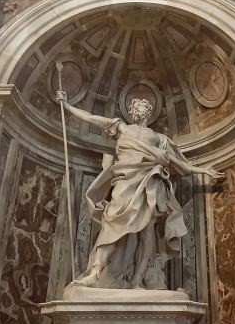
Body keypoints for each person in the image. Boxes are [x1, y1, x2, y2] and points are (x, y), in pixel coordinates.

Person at [57, 91, 223, 289]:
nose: (138, 111)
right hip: (125, 181)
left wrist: (203, 169)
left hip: (149, 183)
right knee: (111, 221)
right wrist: (67, 107)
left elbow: (179, 164)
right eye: (135, 108)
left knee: (147, 233)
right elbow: (92, 119)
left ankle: (137, 278)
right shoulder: (122, 127)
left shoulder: (157, 138)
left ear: (149, 112)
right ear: (131, 112)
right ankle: (95, 271)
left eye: (142, 108)